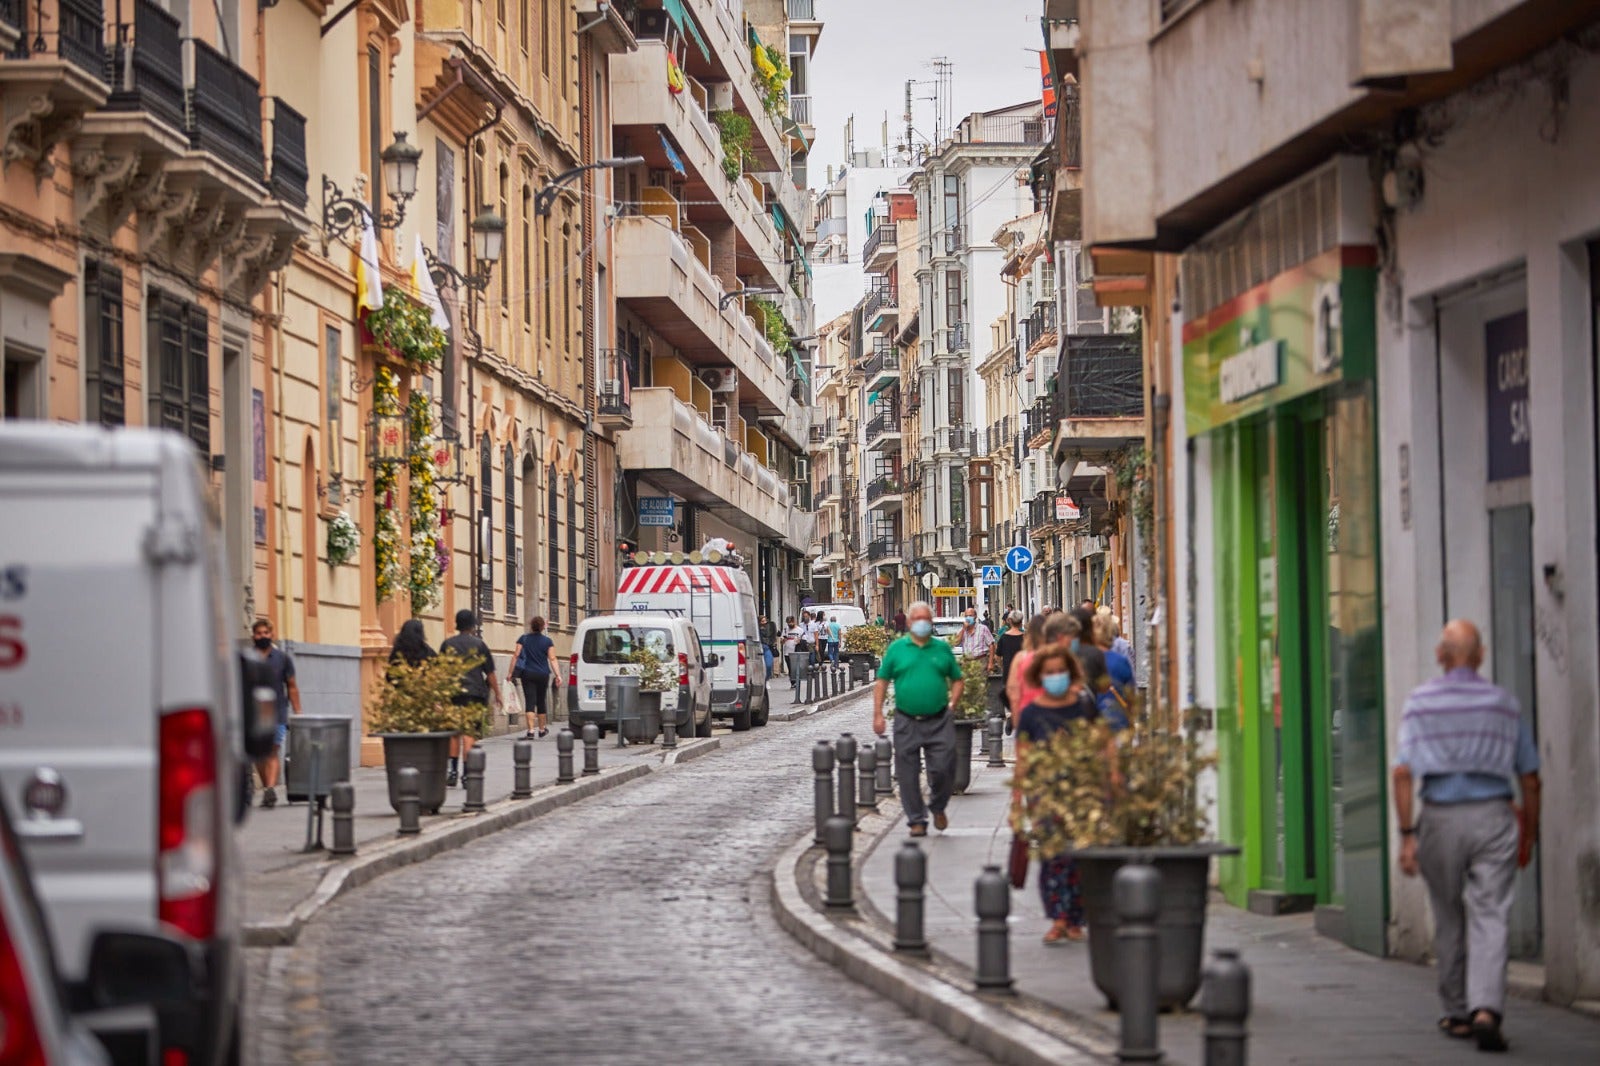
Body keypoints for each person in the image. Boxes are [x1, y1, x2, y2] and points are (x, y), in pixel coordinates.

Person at [1392, 620, 1539, 1053]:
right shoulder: (1503, 704)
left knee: (1449, 912)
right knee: (1491, 913)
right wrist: (1528, 832)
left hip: (1439, 818)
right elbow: (1530, 778)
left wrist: (1406, 836)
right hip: (1494, 816)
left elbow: (1402, 772)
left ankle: (1457, 1013)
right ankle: (1487, 1010)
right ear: (1480, 656)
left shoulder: (1420, 703)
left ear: (1440, 656)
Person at [1014, 643, 1099, 943]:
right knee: (1053, 857)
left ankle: (1077, 918)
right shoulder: (1031, 714)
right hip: (1043, 794)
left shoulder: (1083, 704)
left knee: (1079, 856)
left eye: (1060, 671)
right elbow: (1022, 757)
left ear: (1070, 672)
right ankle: (1058, 917)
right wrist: (1017, 803)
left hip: (1080, 792)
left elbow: (1100, 744)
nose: (1055, 676)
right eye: (1049, 672)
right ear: (1040, 676)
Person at [873, 601, 964, 837]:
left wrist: (953, 702)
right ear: (910, 622)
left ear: (931, 622)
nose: (922, 623)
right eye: (918, 619)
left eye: (927, 619)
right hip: (906, 719)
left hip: (939, 718)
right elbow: (882, 682)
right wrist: (878, 714)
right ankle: (916, 819)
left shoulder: (941, 649)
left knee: (944, 768)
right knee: (907, 773)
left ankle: (937, 805)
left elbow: (957, 679)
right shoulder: (897, 649)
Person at [440, 609, 501, 787]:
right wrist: (498, 694)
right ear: (473, 625)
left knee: (454, 733)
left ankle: (452, 771)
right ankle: (466, 774)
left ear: (457, 624)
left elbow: (441, 671)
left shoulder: (447, 644)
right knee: (469, 734)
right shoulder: (479, 645)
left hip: (453, 693)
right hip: (474, 695)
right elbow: (489, 672)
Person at [249, 619, 302, 809]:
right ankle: (266, 787)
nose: (262, 636)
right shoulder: (247, 658)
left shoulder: (282, 659)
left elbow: (292, 686)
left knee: (272, 749)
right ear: (253, 636)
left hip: (277, 710)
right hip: (252, 713)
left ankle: (270, 789)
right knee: (258, 754)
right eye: (259, 633)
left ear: (272, 635)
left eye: (266, 633)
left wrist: (298, 712)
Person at [1007, 612, 1076, 716]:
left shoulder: (1020, 658)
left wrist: (1017, 721)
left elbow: (1013, 691)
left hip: (1027, 713)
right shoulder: (1056, 655)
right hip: (1054, 711)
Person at [509, 616, 561, 740]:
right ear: (543, 627)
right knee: (541, 700)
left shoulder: (523, 639)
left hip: (527, 673)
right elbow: (552, 659)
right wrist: (558, 675)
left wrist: (510, 673)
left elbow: (516, 655)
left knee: (530, 701)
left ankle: (531, 731)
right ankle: (542, 730)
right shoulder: (547, 641)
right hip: (543, 674)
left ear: (531, 626)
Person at [1091, 613, 1135, 730]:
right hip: (1119, 722)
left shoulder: (1084, 661)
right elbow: (1131, 696)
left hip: (1092, 726)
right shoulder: (1121, 661)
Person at [993, 611, 1027, 732]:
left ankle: (1009, 716)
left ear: (1010, 621)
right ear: (1021, 621)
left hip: (1008, 671)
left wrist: (1002, 666)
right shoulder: (1025, 638)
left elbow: (997, 656)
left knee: (1008, 693)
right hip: (1022, 671)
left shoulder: (1004, 638)